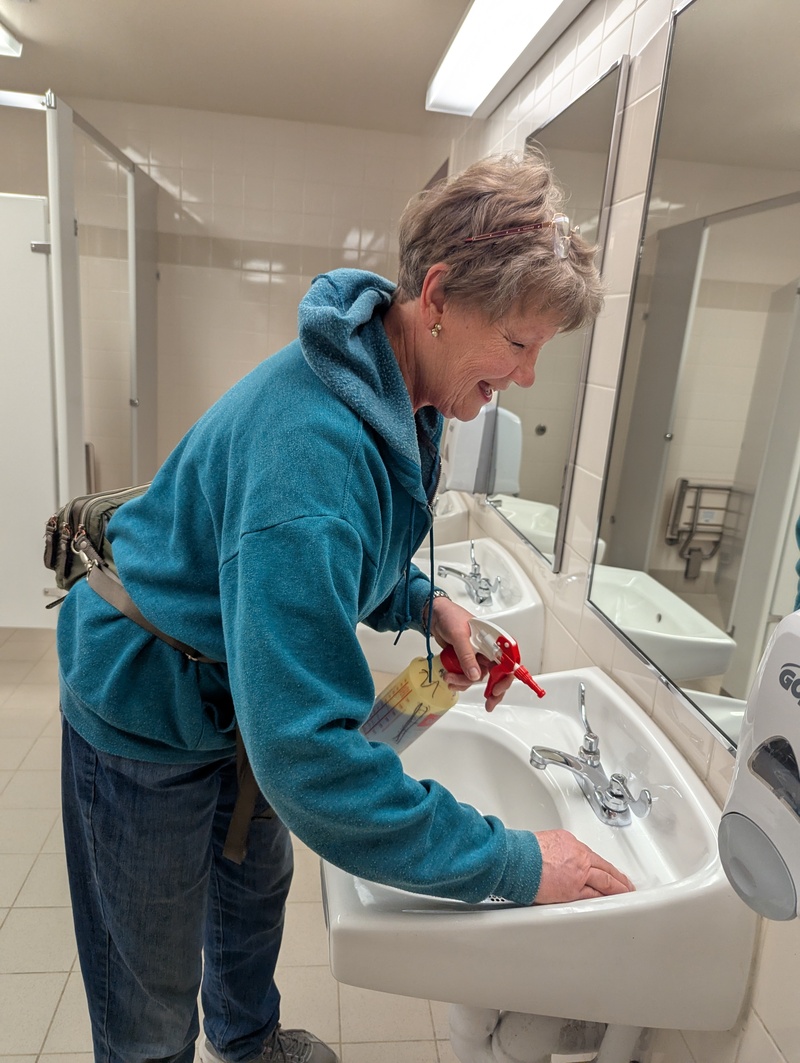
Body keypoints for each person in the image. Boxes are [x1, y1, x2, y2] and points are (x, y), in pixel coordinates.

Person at [57, 152, 634, 1063]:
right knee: (148, 990)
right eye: (518, 344)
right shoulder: (310, 451)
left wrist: (422, 598)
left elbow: (351, 552)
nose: (524, 377)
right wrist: (518, 863)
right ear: (438, 295)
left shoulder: (402, 388)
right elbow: (311, 763)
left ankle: (248, 1043)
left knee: (249, 888)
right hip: (145, 701)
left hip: (234, 679)